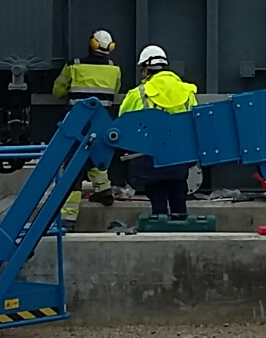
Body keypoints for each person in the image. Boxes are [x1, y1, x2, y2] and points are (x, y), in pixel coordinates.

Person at [52, 30, 124, 229]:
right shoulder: (114, 69)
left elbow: (58, 91)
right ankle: (104, 190)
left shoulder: (74, 66)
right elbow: (115, 91)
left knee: (73, 167)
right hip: (102, 123)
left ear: (91, 43)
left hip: (77, 123)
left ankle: (68, 217)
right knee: (96, 156)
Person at [118, 45, 198, 220]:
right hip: (180, 156)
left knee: (158, 202)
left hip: (151, 158)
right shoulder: (187, 91)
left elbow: (123, 124)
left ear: (146, 69)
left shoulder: (138, 93)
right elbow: (195, 123)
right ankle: (182, 232)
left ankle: (159, 231)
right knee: (179, 198)